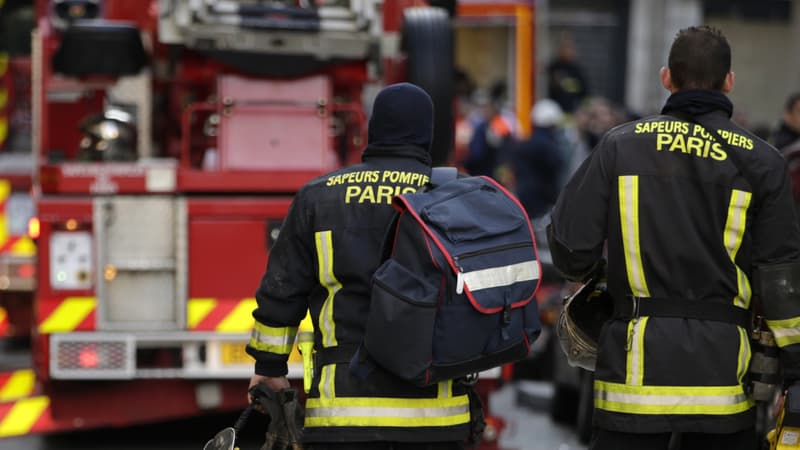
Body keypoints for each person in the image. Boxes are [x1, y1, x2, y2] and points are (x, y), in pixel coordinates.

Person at [547, 25, 800, 450]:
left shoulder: (618, 147)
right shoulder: (764, 162)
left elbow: (571, 251)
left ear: (667, 78)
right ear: (729, 81)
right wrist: (793, 368)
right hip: (723, 389)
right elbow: (781, 283)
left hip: (630, 387)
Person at [245, 82, 474, 449]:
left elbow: (282, 291)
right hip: (438, 416)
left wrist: (269, 369)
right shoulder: (456, 196)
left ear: (373, 128)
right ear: (428, 134)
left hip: (341, 414)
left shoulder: (318, 196)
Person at [509, 98, 568, 220]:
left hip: (525, 193)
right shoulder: (548, 144)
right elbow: (558, 165)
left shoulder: (526, 143)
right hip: (543, 198)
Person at [546, 33, 590, 114]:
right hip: (554, 111)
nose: (569, 51)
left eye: (571, 48)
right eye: (566, 48)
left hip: (573, 110)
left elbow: (584, 91)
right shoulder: (553, 67)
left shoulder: (576, 69)